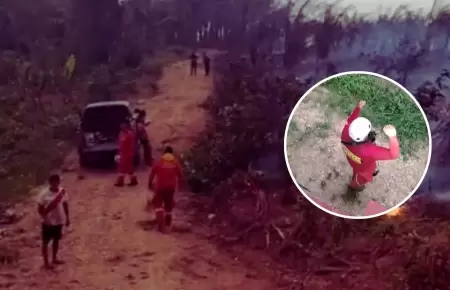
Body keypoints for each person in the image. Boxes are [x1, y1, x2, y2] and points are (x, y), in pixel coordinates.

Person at [340, 100, 400, 192]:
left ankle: (354, 181)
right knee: (358, 181)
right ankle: (353, 189)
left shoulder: (345, 133)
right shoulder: (370, 151)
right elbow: (393, 155)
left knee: (356, 171)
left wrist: (358, 107)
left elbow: (351, 119)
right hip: (364, 171)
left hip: (352, 161)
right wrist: (392, 136)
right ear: (365, 136)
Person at [37, 174, 70, 269]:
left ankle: (54, 258)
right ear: (50, 182)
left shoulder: (62, 192)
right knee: (45, 242)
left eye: (56, 182)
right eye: (53, 182)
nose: (55, 184)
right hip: (48, 222)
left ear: (58, 182)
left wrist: (67, 218)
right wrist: (44, 218)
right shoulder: (44, 194)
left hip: (59, 220)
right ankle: (46, 263)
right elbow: (40, 208)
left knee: (56, 240)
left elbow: (65, 205)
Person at [148, 146, 183, 232]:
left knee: (158, 205)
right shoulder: (175, 163)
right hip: (171, 188)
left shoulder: (159, 162)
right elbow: (181, 175)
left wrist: (150, 183)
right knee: (169, 207)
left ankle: (161, 226)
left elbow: (152, 174)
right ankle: (167, 224)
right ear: (171, 154)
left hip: (160, 187)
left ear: (164, 153)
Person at [115, 119, 138, 187]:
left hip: (127, 153)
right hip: (123, 153)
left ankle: (120, 181)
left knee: (123, 168)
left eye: (123, 124)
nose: (121, 126)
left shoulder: (130, 134)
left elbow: (131, 144)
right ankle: (133, 180)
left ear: (126, 125)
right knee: (129, 168)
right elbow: (120, 144)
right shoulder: (121, 134)